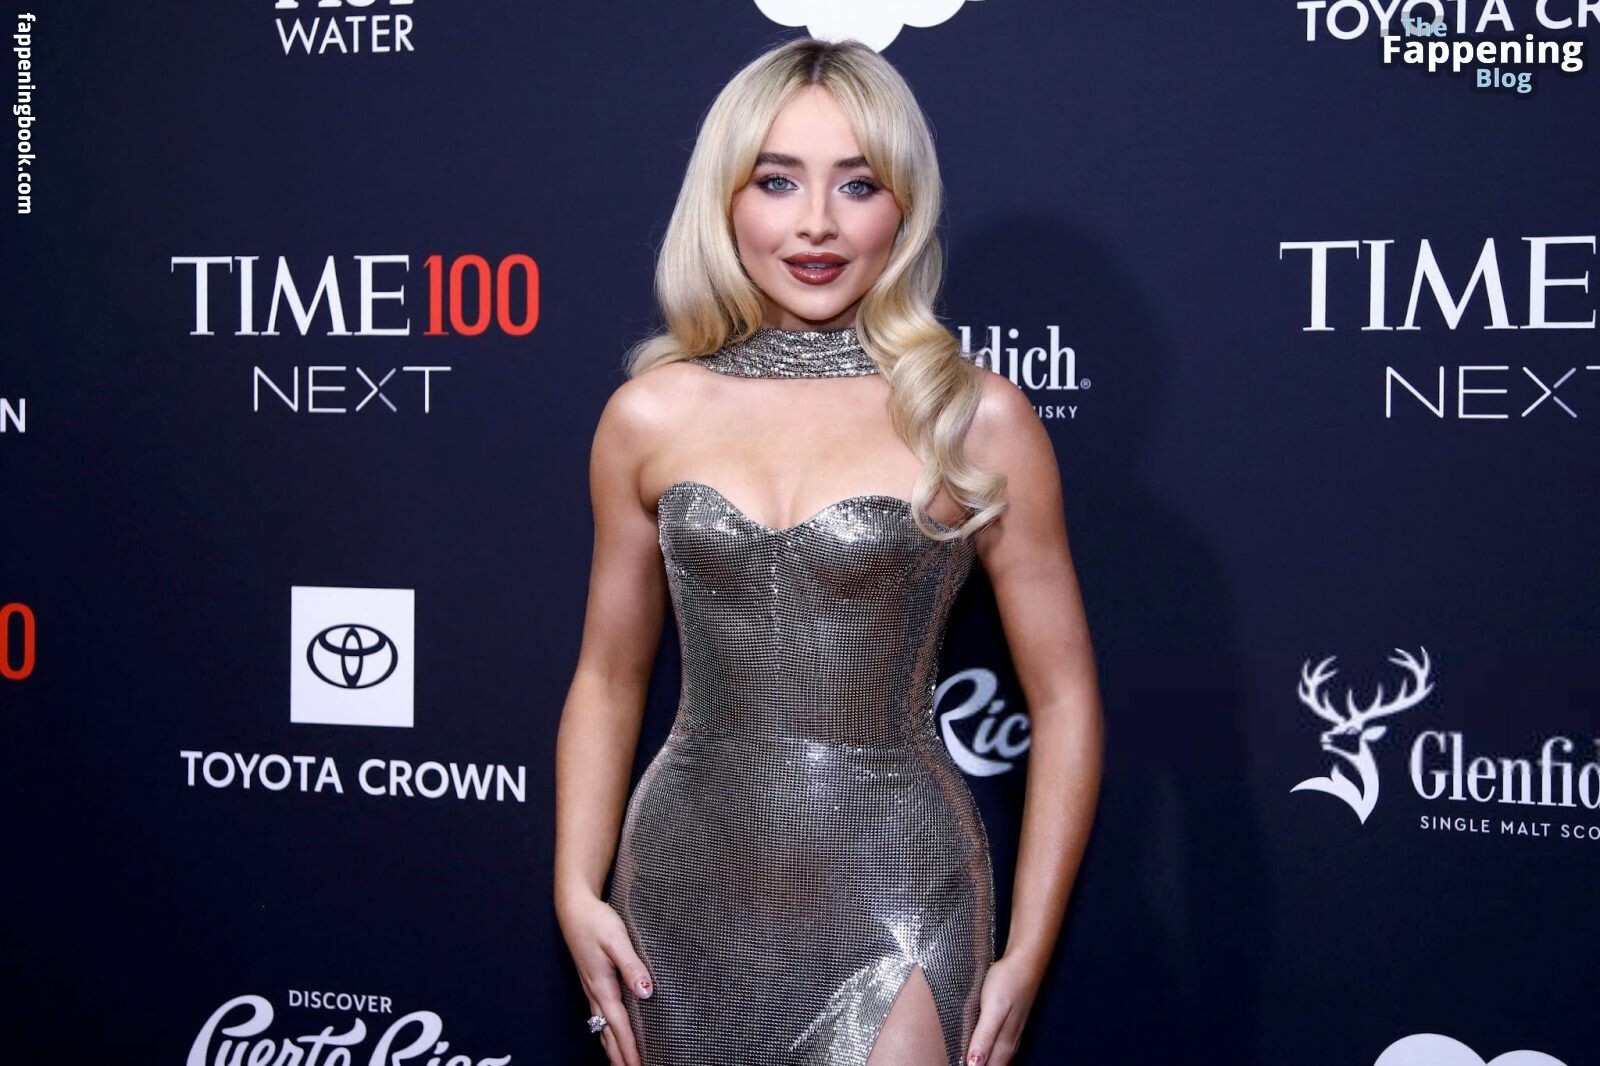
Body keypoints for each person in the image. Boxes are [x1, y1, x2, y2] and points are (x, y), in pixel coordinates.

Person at [553, 36, 1103, 1066]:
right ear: (724, 199)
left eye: (858, 183)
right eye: (777, 181)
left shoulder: (972, 418)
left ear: (906, 206)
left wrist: (1028, 951)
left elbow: (1065, 697)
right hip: (681, 887)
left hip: (900, 890)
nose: (816, 222)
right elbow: (608, 675)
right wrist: (575, 887)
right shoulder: (649, 415)